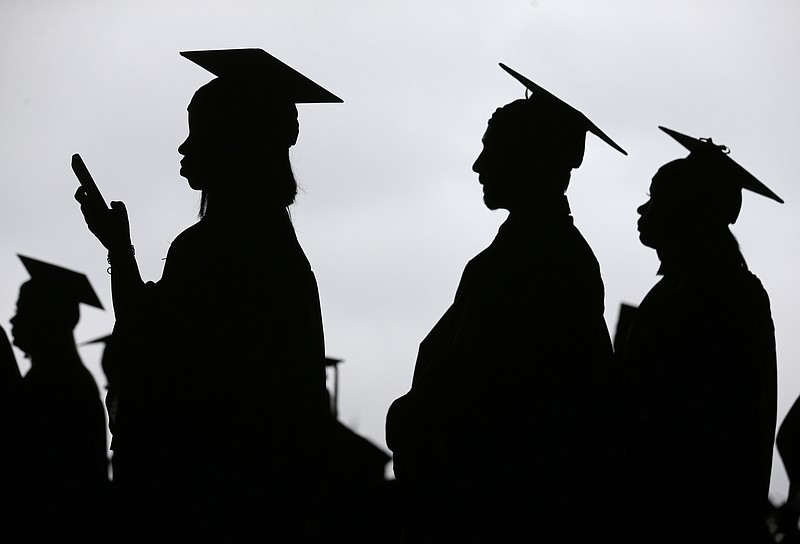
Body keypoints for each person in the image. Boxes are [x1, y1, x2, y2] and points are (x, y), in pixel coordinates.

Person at [75, 48, 340, 541]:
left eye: (198, 132)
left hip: (217, 504)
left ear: (234, 143)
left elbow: (149, 353)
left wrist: (121, 253)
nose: (183, 147)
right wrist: (119, 249)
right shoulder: (273, 248)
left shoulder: (215, 249)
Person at [386, 63, 626, 543]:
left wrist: (410, 417)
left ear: (530, 160)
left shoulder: (543, 259)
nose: (478, 166)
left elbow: (483, 379)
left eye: (491, 151)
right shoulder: (530, 251)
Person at [620, 127, 780, 543]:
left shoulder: (721, 294)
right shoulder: (694, 287)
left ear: (688, 209)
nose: (643, 208)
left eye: (656, 197)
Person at [4, 255, 108, 540]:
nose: (13, 319)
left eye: (23, 309)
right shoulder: (66, 379)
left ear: (48, 318)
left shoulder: (57, 384)